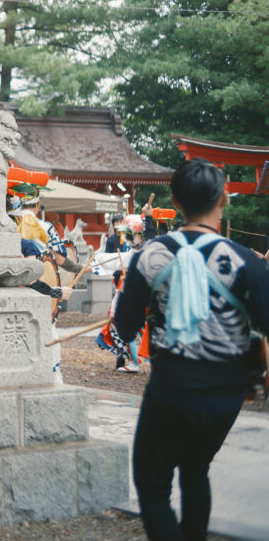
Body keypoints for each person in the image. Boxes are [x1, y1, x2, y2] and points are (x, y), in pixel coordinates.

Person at [115, 159, 269, 541]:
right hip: (225, 395)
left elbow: (124, 328)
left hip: (170, 390)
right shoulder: (246, 261)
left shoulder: (150, 256)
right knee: (196, 469)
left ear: (175, 200)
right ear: (224, 200)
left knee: (152, 486)